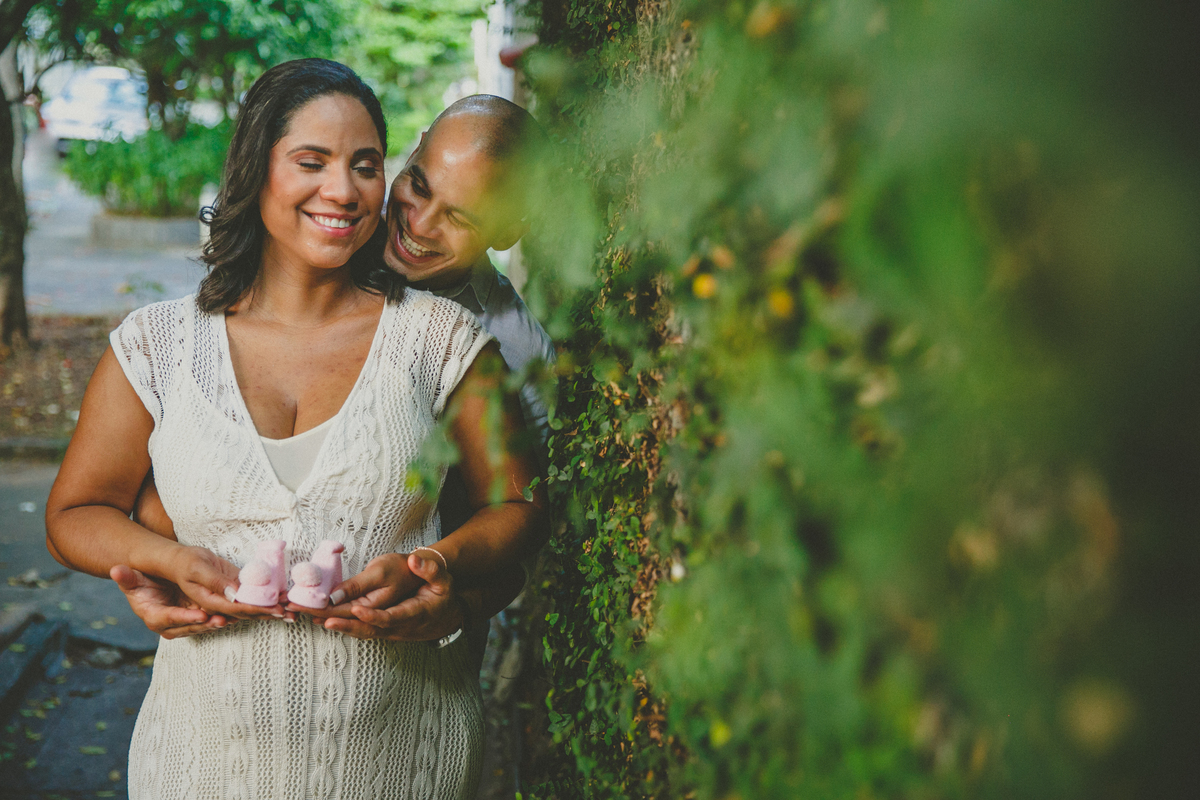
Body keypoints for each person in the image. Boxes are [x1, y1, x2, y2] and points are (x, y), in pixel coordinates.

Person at [44, 59, 546, 799]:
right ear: (258, 170)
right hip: (198, 765)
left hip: (402, 763)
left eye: (363, 165)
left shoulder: (458, 339)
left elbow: (519, 510)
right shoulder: (160, 346)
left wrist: (441, 576)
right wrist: (164, 555)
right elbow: (78, 513)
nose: (343, 190)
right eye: (311, 161)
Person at [128, 95, 559, 660]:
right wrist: (167, 557)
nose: (418, 225)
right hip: (228, 649)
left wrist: (456, 609)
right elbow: (166, 469)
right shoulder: (321, 241)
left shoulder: (512, 356)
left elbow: (517, 537)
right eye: (419, 186)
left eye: (460, 217)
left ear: (509, 229)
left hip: (406, 670)